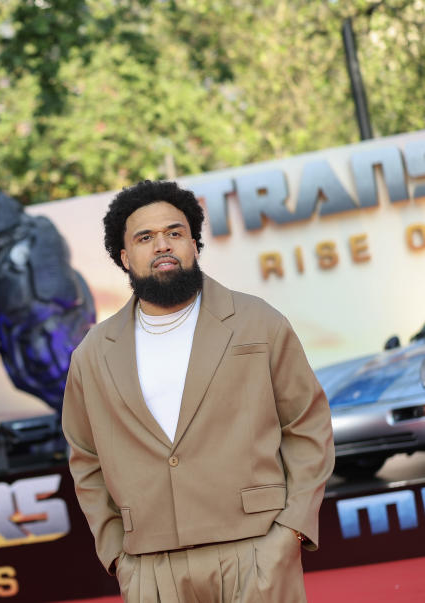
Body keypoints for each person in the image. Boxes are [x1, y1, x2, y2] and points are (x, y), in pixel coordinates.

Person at [62, 180, 334, 602]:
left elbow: (307, 425)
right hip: (150, 565)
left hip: (257, 548)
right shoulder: (92, 354)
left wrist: (290, 529)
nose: (162, 245)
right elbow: (86, 459)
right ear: (123, 256)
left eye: (175, 233)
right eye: (145, 237)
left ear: (194, 244)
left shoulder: (257, 321)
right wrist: (116, 552)